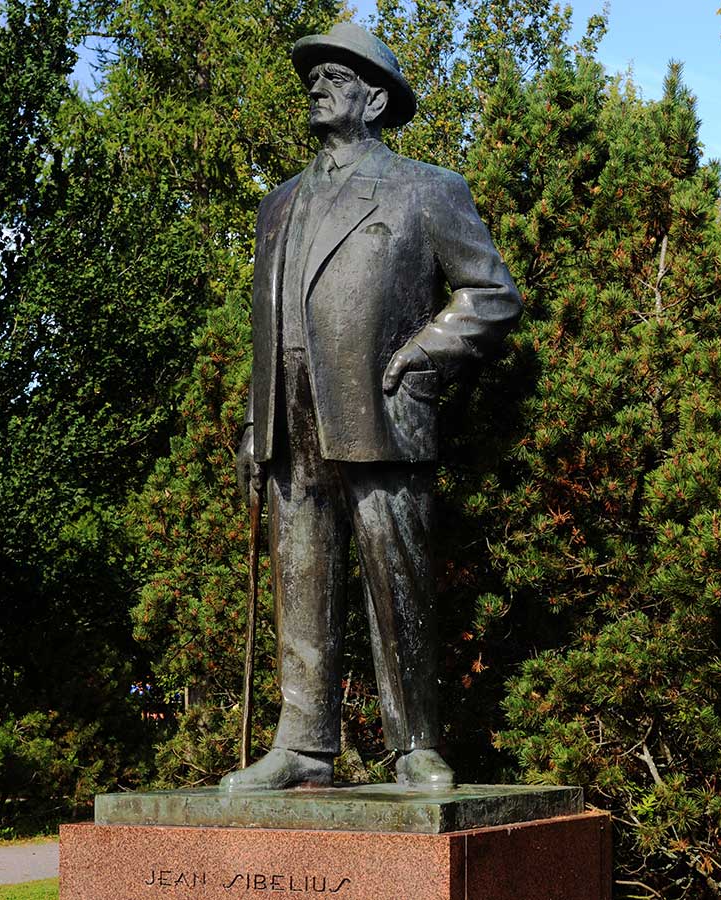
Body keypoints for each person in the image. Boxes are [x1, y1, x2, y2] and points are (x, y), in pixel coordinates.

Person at [223, 21, 521, 791]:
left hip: (382, 411)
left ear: (377, 98)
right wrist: (258, 426)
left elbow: (492, 296)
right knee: (301, 578)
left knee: (397, 582)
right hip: (292, 420)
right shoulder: (277, 205)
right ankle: (302, 742)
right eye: (314, 74)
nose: (318, 84)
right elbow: (270, 317)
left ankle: (416, 741)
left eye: (339, 76)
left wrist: (420, 358)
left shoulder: (426, 189)